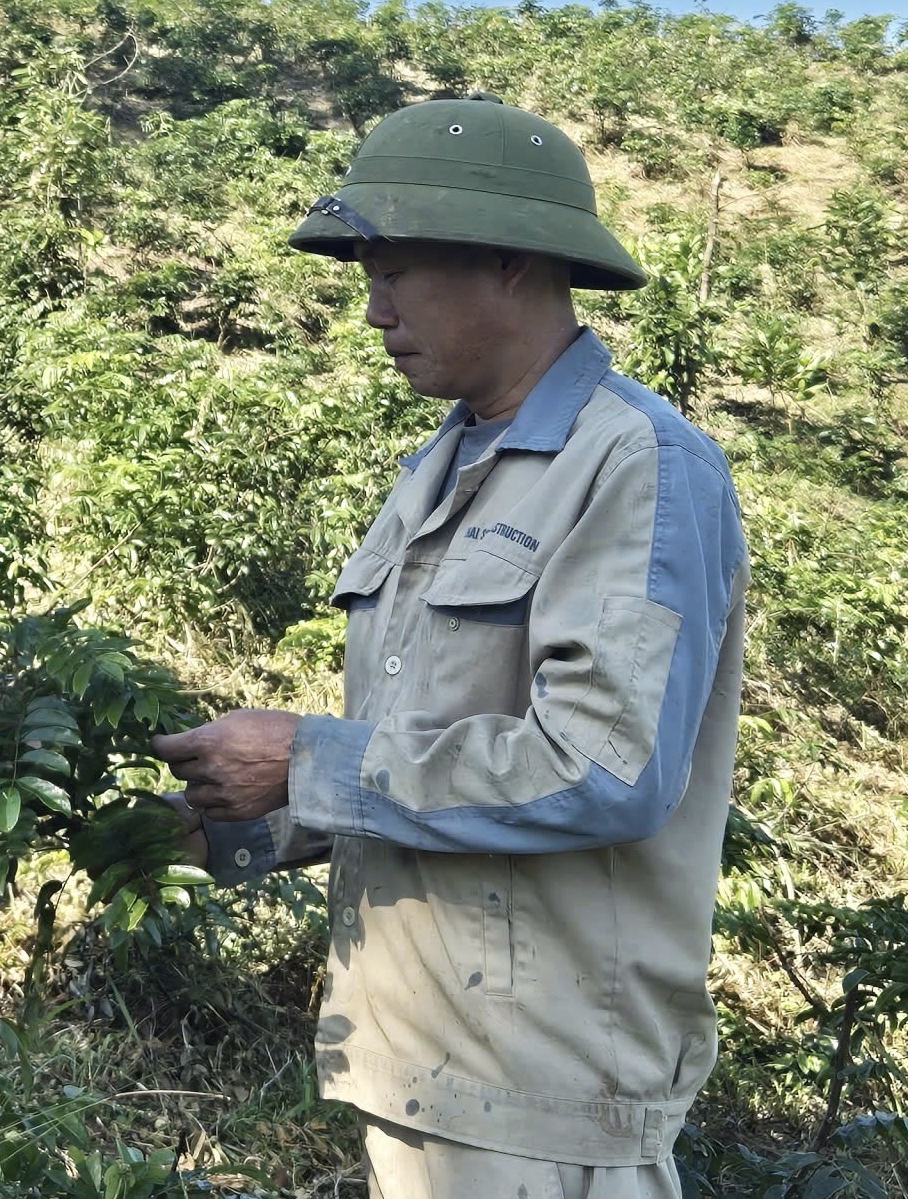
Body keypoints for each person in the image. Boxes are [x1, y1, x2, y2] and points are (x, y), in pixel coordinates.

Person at [153, 93, 748, 1199]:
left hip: (542, 1090)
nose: (372, 309)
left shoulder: (639, 467)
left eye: (396, 270)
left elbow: (601, 768)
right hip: (423, 1064)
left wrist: (303, 758)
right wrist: (216, 823)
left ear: (511, 264)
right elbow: (418, 763)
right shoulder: (446, 465)